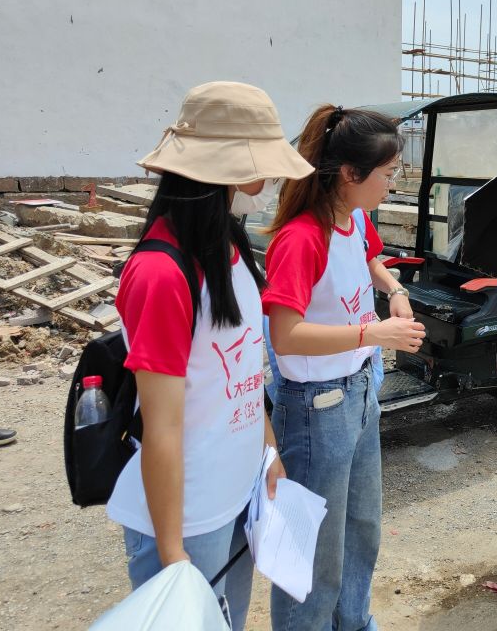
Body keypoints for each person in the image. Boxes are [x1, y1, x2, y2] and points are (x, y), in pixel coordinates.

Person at [106, 81, 313, 631]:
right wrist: (173, 553)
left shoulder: (232, 248)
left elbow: (244, 372)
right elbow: (163, 426)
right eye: (262, 167)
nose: (270, 183)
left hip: (235, 491)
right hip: (189, 510)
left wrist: (267, 452)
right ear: (222, 171)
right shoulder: (160, 274)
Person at [264, 104, 425, 631]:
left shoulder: (352, 218)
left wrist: (395, 290)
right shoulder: (301, 238)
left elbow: (372, 258)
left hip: (357, 390)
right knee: (314, 545)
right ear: (351, 174)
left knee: (360, 528)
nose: (394, 183)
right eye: (390, 173)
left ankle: (352, 622)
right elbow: (285, 336)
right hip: (316, 406)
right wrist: (373, 333)